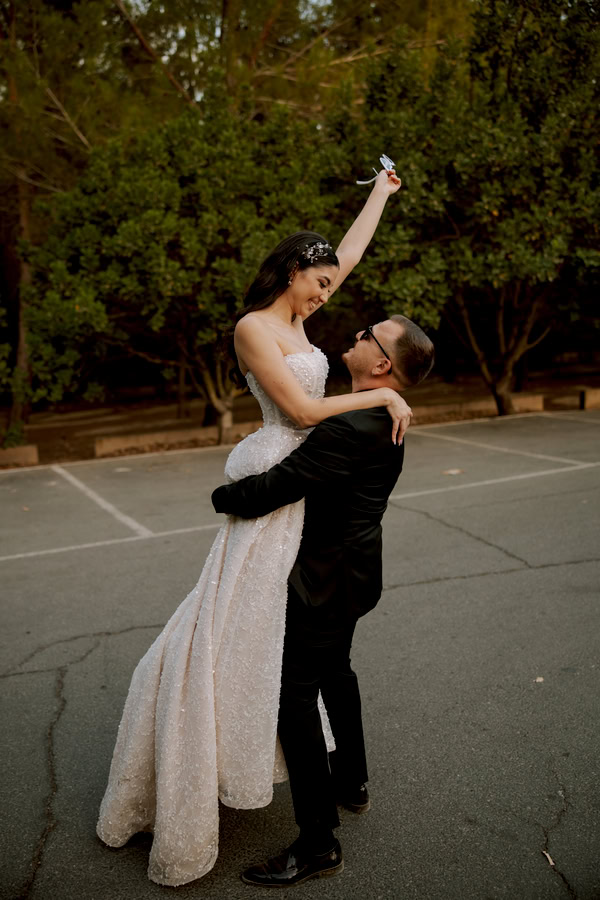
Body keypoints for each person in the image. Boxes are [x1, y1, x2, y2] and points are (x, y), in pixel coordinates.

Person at [96, 167, 409, 886]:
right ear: (295, 270)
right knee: (246, 627)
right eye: (321, 283)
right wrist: (381, 395)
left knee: (294, 647)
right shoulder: (253, 328)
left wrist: (380, 196)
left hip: (307, 485)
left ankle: (315, 779)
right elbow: (299, 415)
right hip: (278, 469)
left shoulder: (301, 322)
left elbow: (351, 254)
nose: (331, 293)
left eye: (332, 288)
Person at [212, 314, 434, 887]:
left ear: (383, 363)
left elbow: (271, 490)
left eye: (367, 334)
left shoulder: (353, 425)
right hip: (355, 574)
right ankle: (352, 780)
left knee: (294, 697)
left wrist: (221, 494)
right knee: (337, 671)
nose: (356, 335)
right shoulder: (378, 413)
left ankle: (317, 844)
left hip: (322, 582)